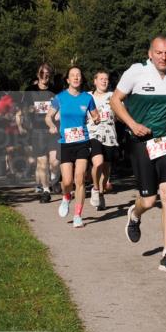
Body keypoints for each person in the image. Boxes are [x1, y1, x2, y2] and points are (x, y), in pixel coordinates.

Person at [110, 36, 166, 271]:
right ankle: (135, 214)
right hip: (141, 142)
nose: (163, 57)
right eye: (159, 53)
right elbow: (115, 101)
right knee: (148, 200)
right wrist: (131, 124)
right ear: (150, 53)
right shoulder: (136, 72)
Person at [45, 67, 99, 228]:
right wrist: (51, 125)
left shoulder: (87, 98)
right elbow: (48, 116)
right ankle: (66, 196)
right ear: (67, 80)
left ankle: (77, 215)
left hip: (83, 141)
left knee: (80, 178)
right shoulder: (59, 98)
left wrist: (96, 119)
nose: (76, 77)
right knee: (67, 181)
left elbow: (95, 115)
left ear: (81, 79)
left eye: (78, 75)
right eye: (72, 75)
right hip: (65, 142)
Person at [24, 63, 59, 203]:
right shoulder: (30, 90)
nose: (45, 77)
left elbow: (61, 107)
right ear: (38, 74)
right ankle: (45, 190)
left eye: (48, 74)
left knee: (55, 162)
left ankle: (54, 180)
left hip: (53, 129)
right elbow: (24, 110)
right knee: (42, 162)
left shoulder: (55, 90)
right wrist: (29, 113)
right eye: (42, 74)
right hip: (37, 130)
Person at [88, 69, 119, 210]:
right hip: (93, 134)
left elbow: (121, 114)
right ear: (95, 81)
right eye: (101, 79)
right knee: (98, 162)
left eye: (106, 79)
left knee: (106, 169)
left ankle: (101, 192)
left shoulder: (113, 96)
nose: (104, 81)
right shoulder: (87, 96)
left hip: (110, 136)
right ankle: (95, 188)